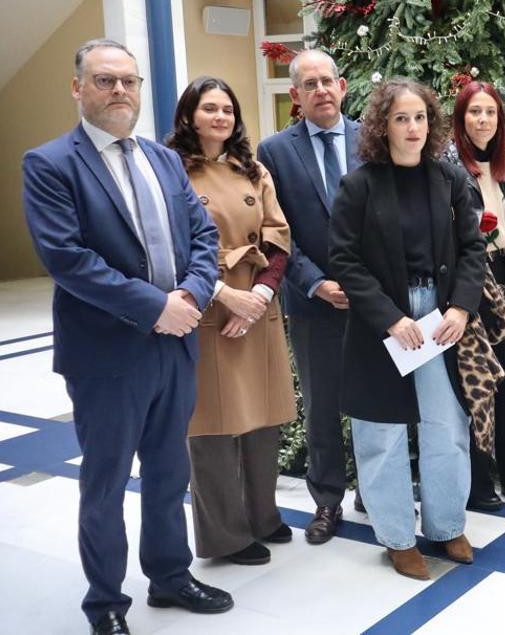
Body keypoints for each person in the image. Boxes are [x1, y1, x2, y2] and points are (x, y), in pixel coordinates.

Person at [22, 39, 229, 635]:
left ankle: (169, 576)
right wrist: (155, 307)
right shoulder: (50, 163)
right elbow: (68, 259)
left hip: (175, 344)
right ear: (77, 88)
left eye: (129, 81)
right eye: (105, 80)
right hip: (107, 354)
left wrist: (189, 297)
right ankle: (106, 603)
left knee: (168, 473)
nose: (119, 91)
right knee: (106, 482)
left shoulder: (163, 160)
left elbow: (203, 237)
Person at [328, 78, 485, 579]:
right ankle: (397, 537)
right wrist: (390, 318)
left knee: (447, 426)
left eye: (420, 117)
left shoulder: (448, 178)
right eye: (401, 118)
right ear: (383, 126)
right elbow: (344, 260)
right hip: (385, 322)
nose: (412, 127)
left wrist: (461, 308)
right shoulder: (359, 185)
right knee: (382, 434)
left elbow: (473, 248)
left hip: (439, 317)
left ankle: (446, 525)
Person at [165, 77, 296, 565]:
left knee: (263, 418)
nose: (220, 117)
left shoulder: (253, 169)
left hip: (257, 303)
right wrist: (225, 296)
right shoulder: (171, 168)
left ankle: (263, 515)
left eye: (227, 109)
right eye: (209, 108)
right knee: (213, 426)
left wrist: (259, 295)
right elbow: (169, 246)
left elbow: (278, 236)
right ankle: (225, 536)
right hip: (204, 301)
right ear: (189, 115)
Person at [257, 49, 362, 543]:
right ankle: (327, 500)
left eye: (327, 81)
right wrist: (316, 282)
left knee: (376, 400)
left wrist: (370, 285)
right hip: (312, 302)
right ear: (295, 94)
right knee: (321, 407)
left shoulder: (372, 138)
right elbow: (277, 231)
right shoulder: (275, 151)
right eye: (309, 84)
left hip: (373, 302)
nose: (320, 90)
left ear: (342, 86)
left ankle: (375, 490)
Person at [442, 81, 505, 510]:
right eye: (474, 112)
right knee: (475, 383)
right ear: (461, 118)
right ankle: (478, 485)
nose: (483, 120)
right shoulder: (447, 167)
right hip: (468, 283)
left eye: (490, 113)